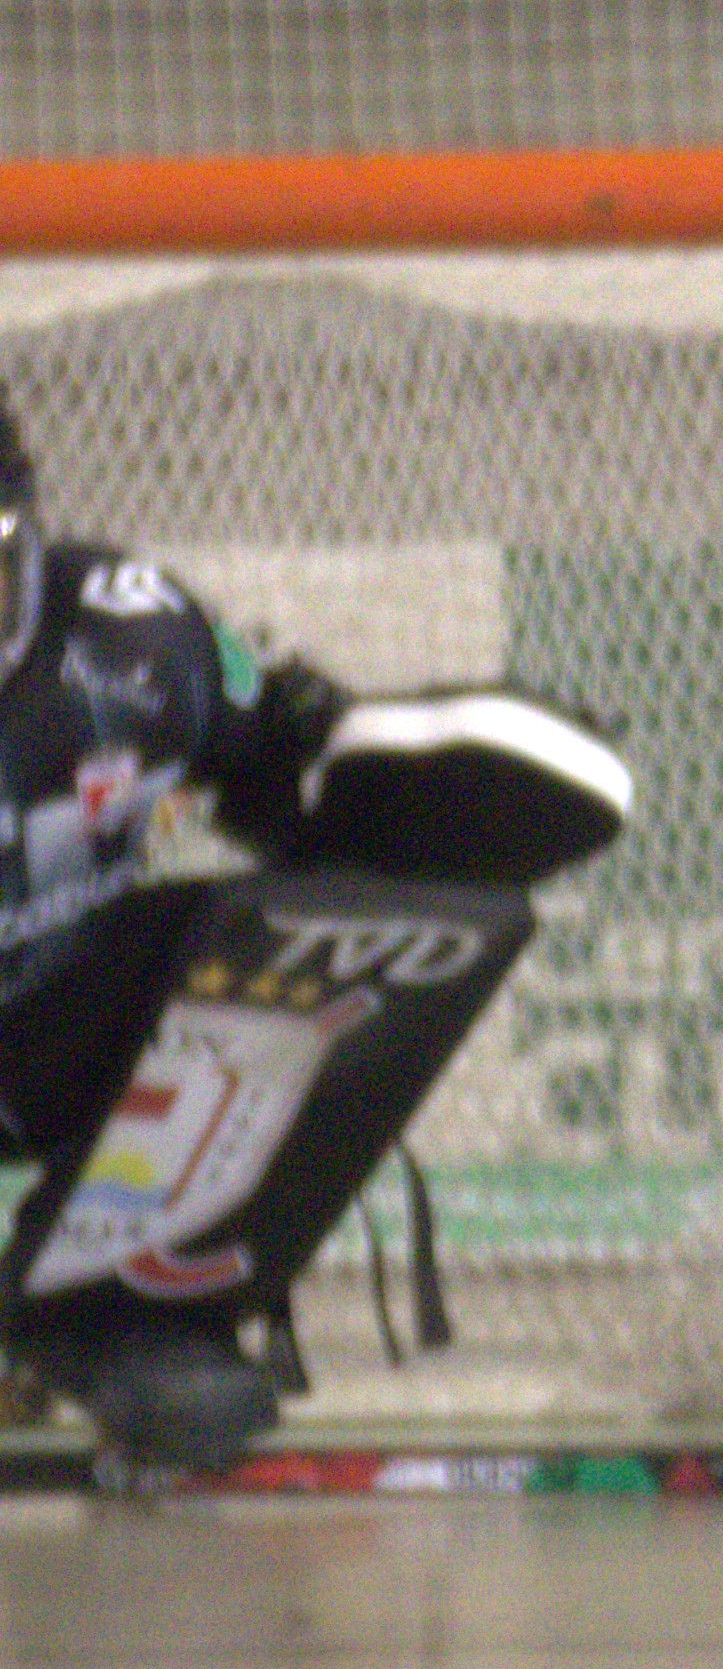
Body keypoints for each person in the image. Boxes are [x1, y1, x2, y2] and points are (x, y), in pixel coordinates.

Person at [0, 388, 630, 1475]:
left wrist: (443, 797)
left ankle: (112, 1317)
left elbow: (295, 778)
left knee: (318, 939)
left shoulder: (129, 633)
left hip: (39, 1019)